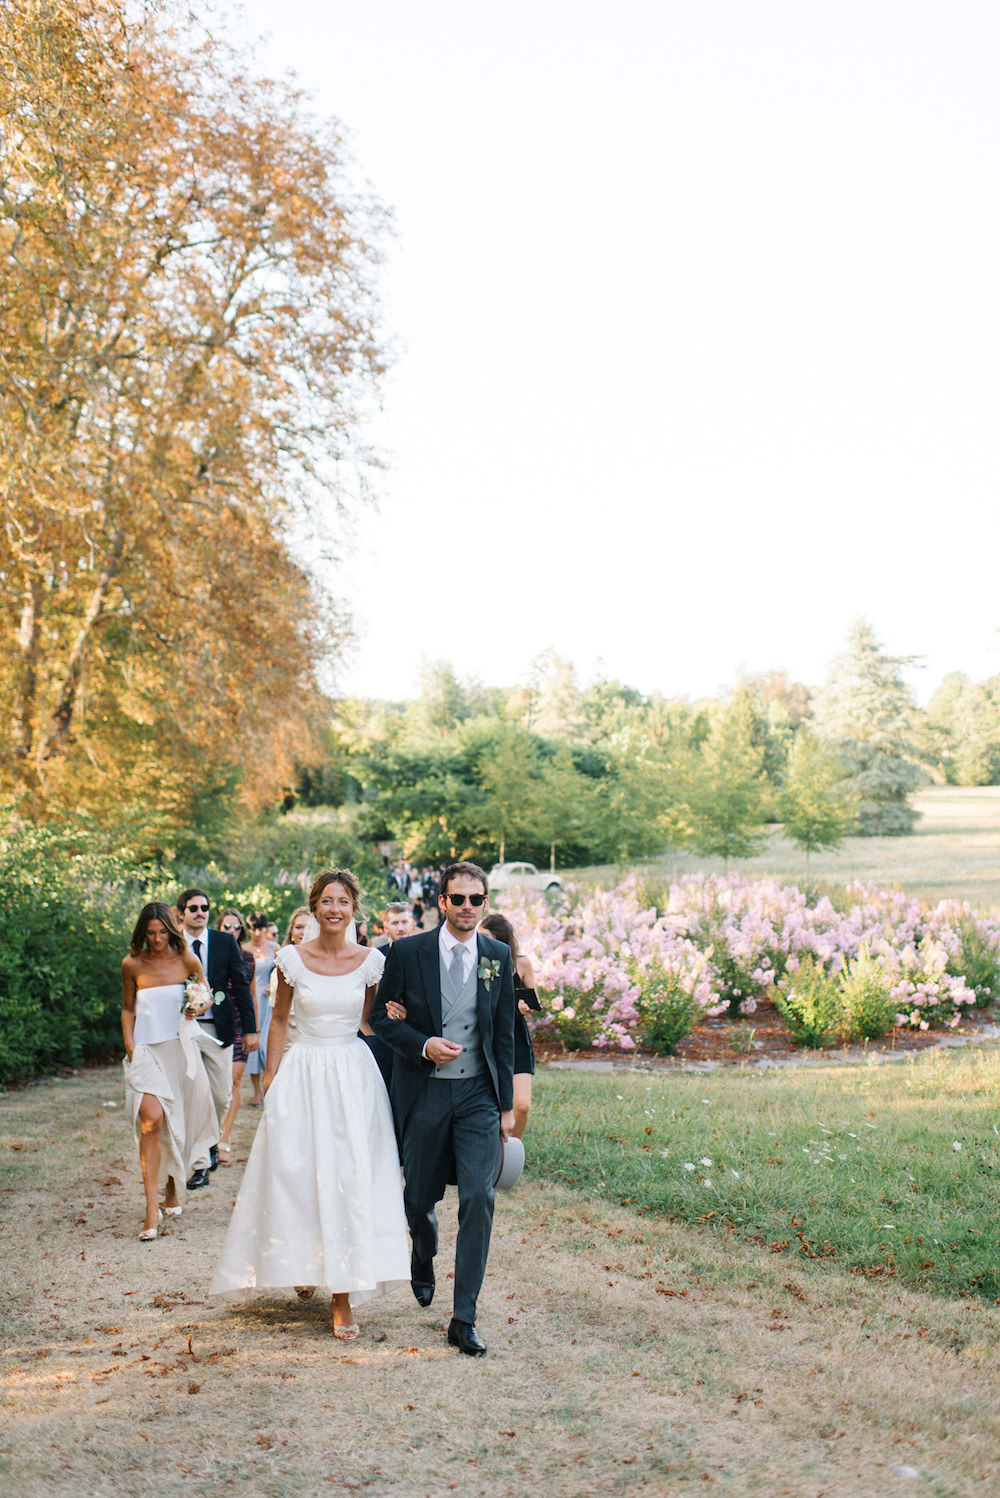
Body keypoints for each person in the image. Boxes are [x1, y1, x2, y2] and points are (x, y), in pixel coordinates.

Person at [211, 870, 409, 1338]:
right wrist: (274, 1077)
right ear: (315, 907)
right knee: (295, 1172)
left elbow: (371, 1022)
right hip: (303, 1071)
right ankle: (300, 1260)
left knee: (349, 1175)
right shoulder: (291, 959)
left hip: (352, 1074)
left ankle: (342, 1295)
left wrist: (399, 1015)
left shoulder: (371, 962)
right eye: (326, 901)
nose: (334, 909)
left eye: (343, 901)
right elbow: (279, 1019)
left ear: (354, 908)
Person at [369, 860, 515, 1356]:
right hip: (426, 1091)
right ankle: (423, 1253)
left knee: (479, 1197)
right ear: (442, 902)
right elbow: (380, 1020)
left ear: (486, 903)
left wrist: (507, 1106)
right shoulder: (408, 952)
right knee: (417, 1200)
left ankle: (464, 1318)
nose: (468, 908)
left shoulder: (498, 954)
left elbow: (504, 1033)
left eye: (477, 900)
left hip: (478, 1095)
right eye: (458, 899)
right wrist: (422, 1043)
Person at [121, 903, 218, 1239]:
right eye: (150, 933)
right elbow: (128, 1008)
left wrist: (196, 1006)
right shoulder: (132, 964)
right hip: (146, 1052)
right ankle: (151, 1211)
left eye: (163, 932)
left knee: (178, 1122)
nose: (157, 938)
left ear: (171, 930)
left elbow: (206, 996)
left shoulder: (187, 960)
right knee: (151, 1120)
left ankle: (173, 1187)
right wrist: (130, 1046)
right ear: (142, 932)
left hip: (179, 1049)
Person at [177, 889, 259, 1189]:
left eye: (205, 907)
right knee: (195, 1095)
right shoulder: (173, 943)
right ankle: (200, 1163)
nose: (200, 912)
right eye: (193, 908)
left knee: (222, 1095)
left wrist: (250, 1030)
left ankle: (212, 1140)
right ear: (181, 913)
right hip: (184, 1029)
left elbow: (240, 986)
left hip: (220, 1029)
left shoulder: (224, 942)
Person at [479, 912, 540, 1140]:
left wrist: (527, 1006)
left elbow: (533, 999)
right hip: (488, 1034)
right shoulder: (480, 963)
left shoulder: (521, 962)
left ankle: (514, 1148)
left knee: (522, 1104)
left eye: (486, 936)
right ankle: (494, 1149)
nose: (481, 940)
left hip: (515, 1036)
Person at [215, 908, 256, 1164]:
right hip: (215, 1023)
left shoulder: (248, 958)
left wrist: (255, 1030)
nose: (232, 931)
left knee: (234, 1080)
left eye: (236, 927)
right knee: (215, 1084)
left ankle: (224, 1139)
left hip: (241, 1023)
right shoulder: (209, 954)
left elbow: (250, 996)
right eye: (227, 926)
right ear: (219, 928)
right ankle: (208, 1135)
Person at [245, 913, 276, 1107]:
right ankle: (256, 1091)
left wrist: (274, 987)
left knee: (268, 1044)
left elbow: (281, 973)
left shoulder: (275, 948)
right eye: (253, 928)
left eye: (261, 928)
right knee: (253, 1048)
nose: (257, 933)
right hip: (250, 999)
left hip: (269, 999)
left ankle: (269, 1088)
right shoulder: (243, 949)